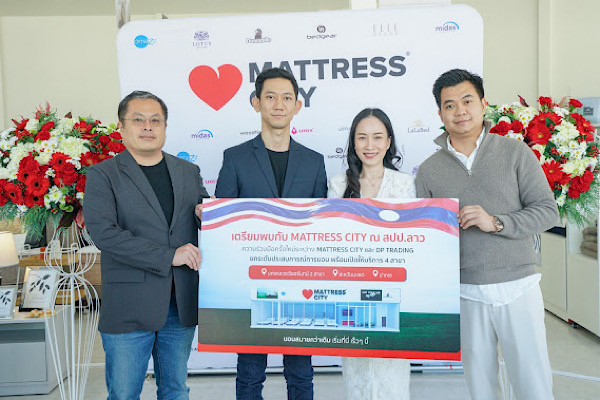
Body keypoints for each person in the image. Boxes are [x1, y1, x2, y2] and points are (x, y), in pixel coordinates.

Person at [416, 69, 558, 400]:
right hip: (464, 292)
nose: (460, 111)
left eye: (467, 101)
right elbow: (427, 239)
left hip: (519, 286)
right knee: (480, 387)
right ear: (440, 114)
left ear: (483, 105)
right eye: (450, 105)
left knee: (533, 385)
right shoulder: (428, 170)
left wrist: (496, 222)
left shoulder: (515, 152)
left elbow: (547, 212)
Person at [83, 90, 209, 399]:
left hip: (179, 303)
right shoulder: (103, 175)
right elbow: (104, 234)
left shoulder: (188, 171)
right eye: (138, 120)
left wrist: (206, 216)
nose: (148, 127)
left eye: (155, 120)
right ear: (121, 127)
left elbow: (201, 218)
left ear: (165, 126)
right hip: (129, 304)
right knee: (125, 393)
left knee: (175, 390)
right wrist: (168, 256)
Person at [215, 67, 327, 400]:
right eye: (270, 97)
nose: (279, 105)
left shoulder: (314, 162)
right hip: (250, 283)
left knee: (301, 374)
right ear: (256, 103)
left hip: (300, 284)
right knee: (250, 375)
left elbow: (321, 226)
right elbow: (223, 227)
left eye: (287, 98)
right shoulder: (235, 158)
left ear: (297, 106)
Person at [328, 108, 414, 400]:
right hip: (351, 291)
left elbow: (413, 240)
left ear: (388, 142)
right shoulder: (338, 184)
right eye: (362, 137)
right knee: (358, 374)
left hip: (395, 290)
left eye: (377, 137)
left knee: (393, 375)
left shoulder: (405, 184)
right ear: (353, 143)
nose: (370, 145)